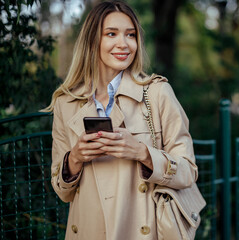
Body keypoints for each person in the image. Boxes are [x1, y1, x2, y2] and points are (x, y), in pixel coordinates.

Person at [44, 1, 198, 239]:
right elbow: (62, 192)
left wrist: (142, 153)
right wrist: (74, 158)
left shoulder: (157, 93)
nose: (124, 44)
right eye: (111, 34)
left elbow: (188, 171)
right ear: (92, 40)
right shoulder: (67, 103)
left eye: (131, 35)